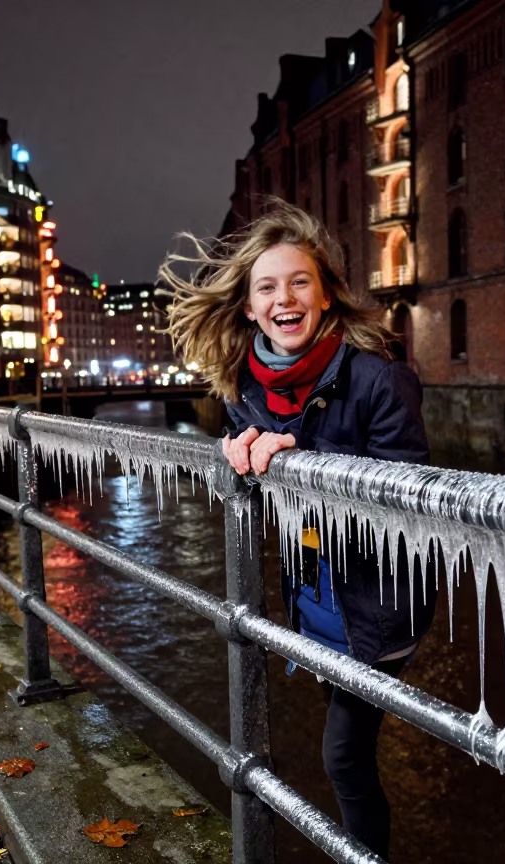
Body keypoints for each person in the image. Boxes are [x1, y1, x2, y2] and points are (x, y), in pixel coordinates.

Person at [161, 202, 433, 859]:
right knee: (344, 749)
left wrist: (300, 463)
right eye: (267, 286)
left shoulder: (379, 378)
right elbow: (251, 454)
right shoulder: (243, 386)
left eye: (300, 281)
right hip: (314, 604)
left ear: (327, 295)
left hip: (378, 608)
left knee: (343, 757)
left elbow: (406, 512)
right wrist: (242, 453)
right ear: (250, 309)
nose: (285, 297)